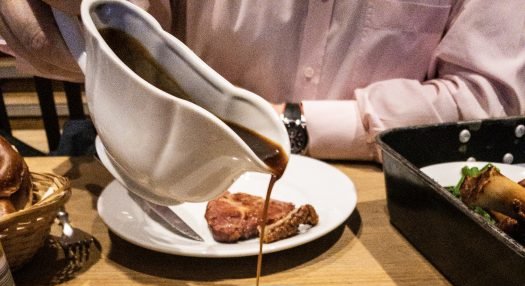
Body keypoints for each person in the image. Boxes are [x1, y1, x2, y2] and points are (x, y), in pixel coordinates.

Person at [1, 0, 524, 161]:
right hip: (175, 182)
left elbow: (496, 100)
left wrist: (290, 127)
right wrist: (78, 32)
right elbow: (136, 20)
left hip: (393, 196)